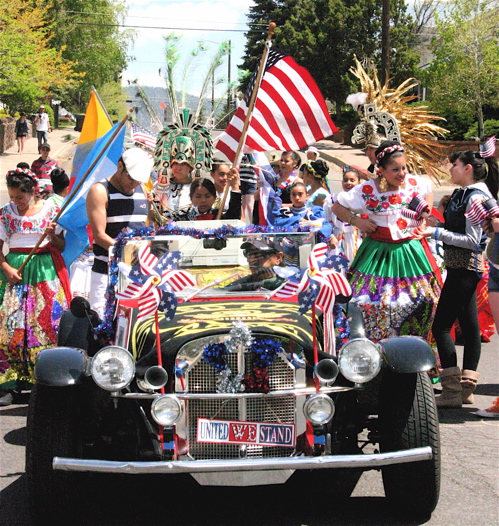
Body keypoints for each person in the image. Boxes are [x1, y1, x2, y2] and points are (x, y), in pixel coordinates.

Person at [332, 140, 441, 344]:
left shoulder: (414, 184)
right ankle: (372, 354)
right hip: (377, 254)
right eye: (395, 169)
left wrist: (423, 222)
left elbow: (428, 192)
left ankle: (417, 353)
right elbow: (337, 207)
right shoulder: (366, 190)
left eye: (404, 168)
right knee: (369, 302)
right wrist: (357, 222)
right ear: (380, 169)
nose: (402, 174)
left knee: (425, 301)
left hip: (411, 252)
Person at [421, 149, 498, 408]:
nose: (450, 169)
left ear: (467, 168)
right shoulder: (460, 194)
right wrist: (436, 225)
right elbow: (456, 230)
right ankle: (465, 388)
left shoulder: (476, 197)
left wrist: (435, 233)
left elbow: (472, 241)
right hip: (459, 267)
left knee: (442, 325)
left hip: (466, 267)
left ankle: (452, 390)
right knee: (469, 322)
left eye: (454, 164)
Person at [0, 169, 70, 406]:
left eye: (19, 197)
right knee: (12, 328)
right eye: (12, 197)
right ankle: (11, 383)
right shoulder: (5, 214)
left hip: (45, 273)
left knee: (46, 325)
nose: (15, 202)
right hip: (16, 274)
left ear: (32, 192)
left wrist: (52, 236)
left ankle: (44, 380)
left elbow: (61, 246)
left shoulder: (51, 211)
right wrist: (7, 269)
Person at [86, 148, 153, 317]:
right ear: (120, 167)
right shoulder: (100, 191)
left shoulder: (142, 190)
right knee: (101, 323)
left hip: (137, 273)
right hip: (107, 272)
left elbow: (147, 227)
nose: (134, 184)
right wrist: (130, 251)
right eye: (131, 178)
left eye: (138, 180)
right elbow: (100, 236)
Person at [326, 166, 363, 263]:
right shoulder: (332, 199)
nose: (348, 183)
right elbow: (327, 221)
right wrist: (331, 236)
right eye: (345, 180)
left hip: (356, 237)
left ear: (358, 182)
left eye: (352, 180)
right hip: (337, 238)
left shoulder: (363, 201)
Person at [173, 178, 241, 221]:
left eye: (207, 196)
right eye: (198, 196)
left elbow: (234, 215)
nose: (203, 200)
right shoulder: (181, 220)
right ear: (191, 198)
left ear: (214, 197)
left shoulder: (219, 216)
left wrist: (235, 186)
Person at [238, 154, 258, 223]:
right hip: (241, 180)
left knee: (250, 205)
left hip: (251, 181)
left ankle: (252, 222)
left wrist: (250, 155)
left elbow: (255, 164)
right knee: (242, 205)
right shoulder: (241, 153)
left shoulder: (253, 154)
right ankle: (242, 222)